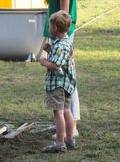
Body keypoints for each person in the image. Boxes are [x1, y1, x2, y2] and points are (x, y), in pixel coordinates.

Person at [37, 0, 80, 145]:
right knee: (65, 80)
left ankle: (70, 129)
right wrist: (48, 37)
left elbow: (64, 14)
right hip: (56, 34)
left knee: (66, 82)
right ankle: (68, 129)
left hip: (62, 34)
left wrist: (56, 36)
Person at [40, 11, 77, 153]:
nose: (49, 28)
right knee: (67, 111)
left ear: (54, 28)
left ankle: (60, 143)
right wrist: (50, 50)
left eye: (49, 25)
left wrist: (44, 61)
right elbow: (60, 57)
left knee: (59, 112)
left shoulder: (61, 46)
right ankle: (69, 139)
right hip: (66, 84)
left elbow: (56, 65)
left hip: (58, 85)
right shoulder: (64, 43)